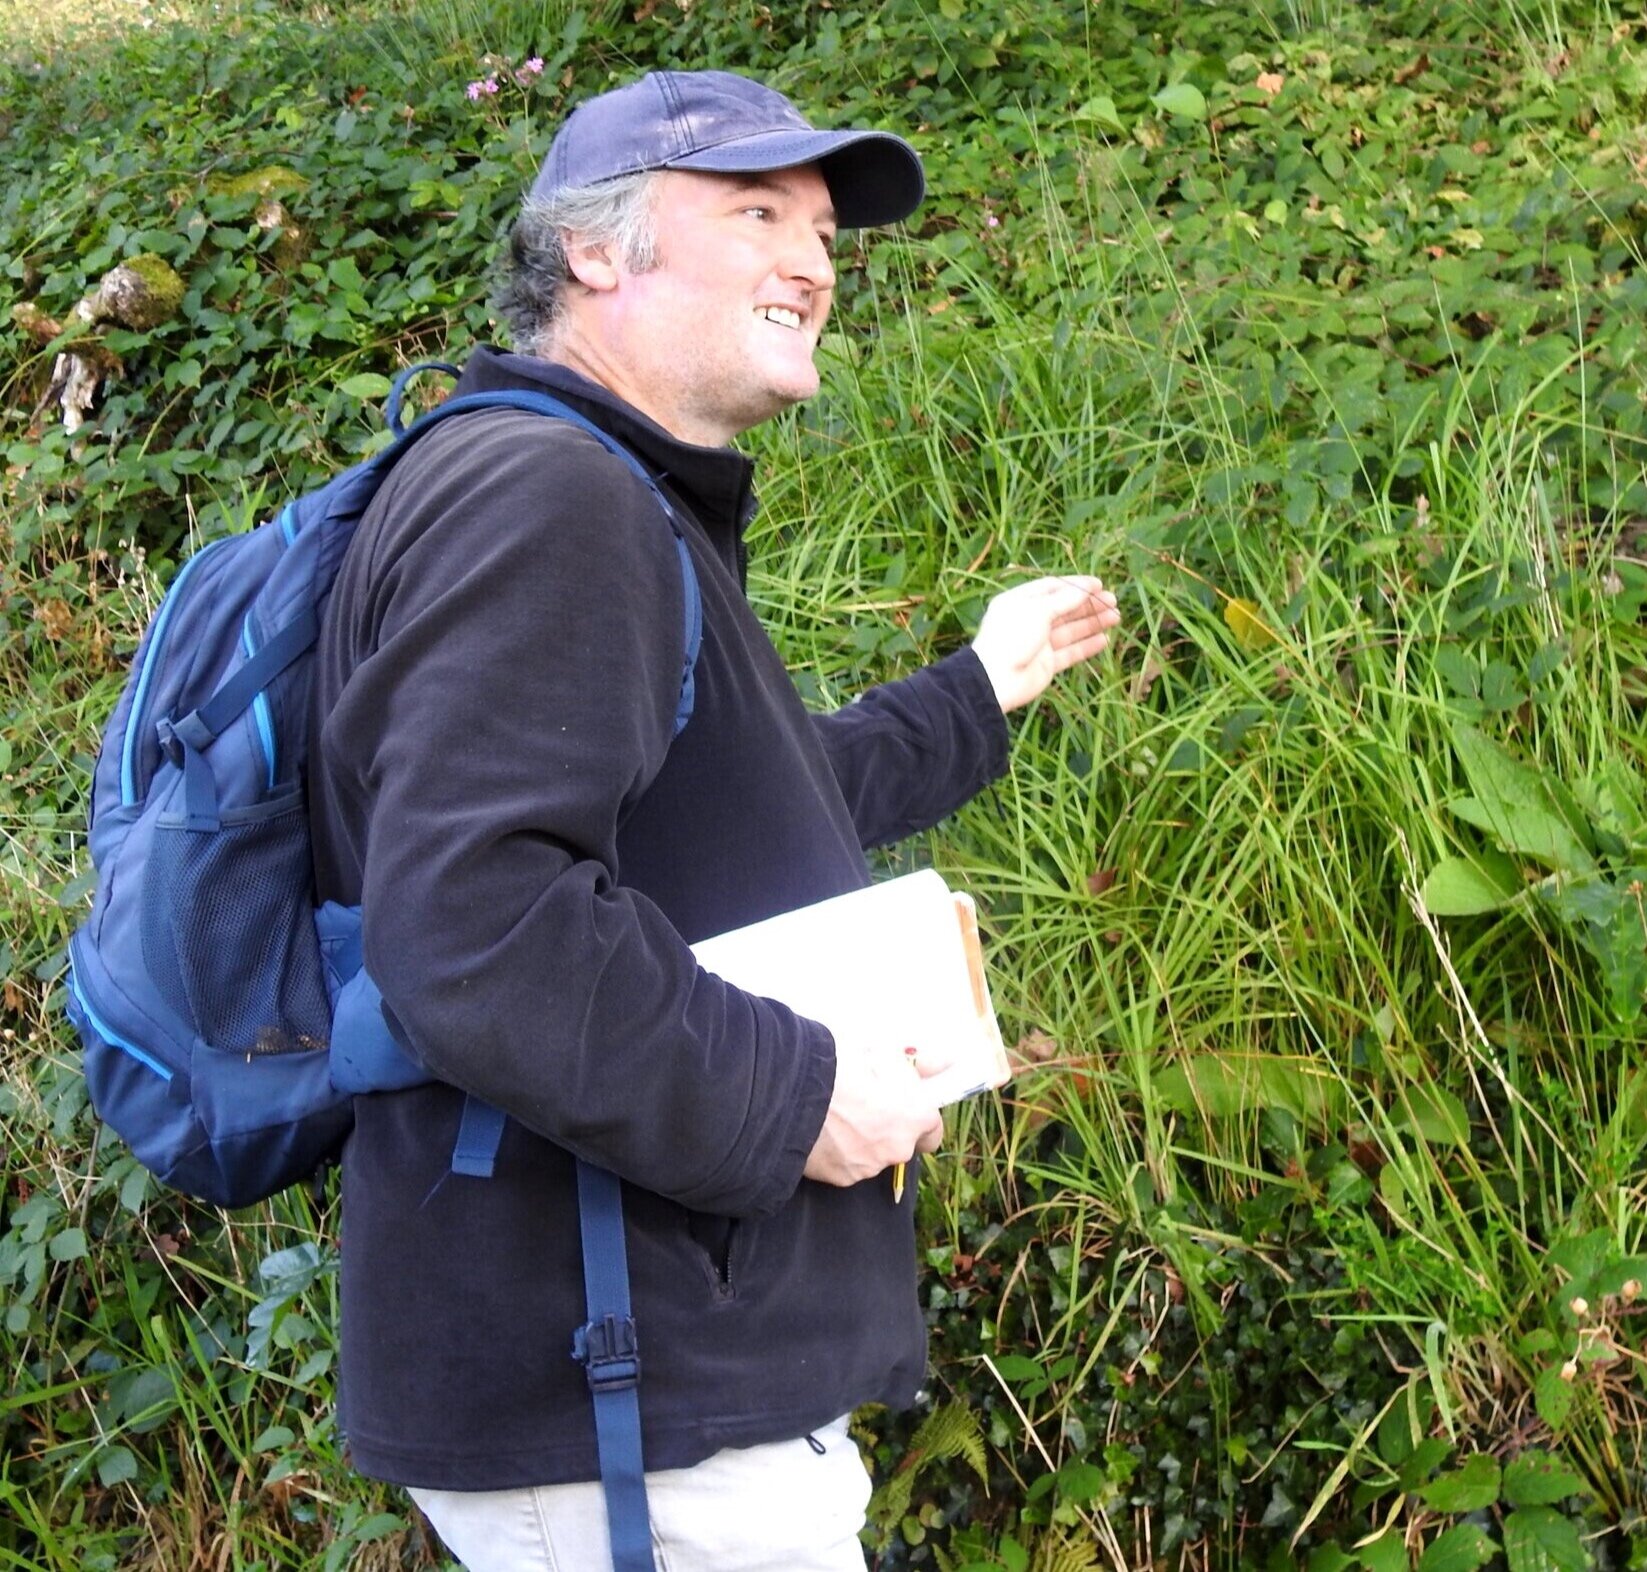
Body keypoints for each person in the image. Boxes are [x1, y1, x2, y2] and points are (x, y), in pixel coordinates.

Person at [306, 69, 1119, 1571]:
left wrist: (985, 687)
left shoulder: (586, 489)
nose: (812, 261)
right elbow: (478, 924)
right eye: (757, 213)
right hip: (622, 1389)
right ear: (598, 251)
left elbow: (741, 801)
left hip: (648, 1384)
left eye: (821, 228)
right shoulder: (552, 498)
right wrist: (796, 1099)